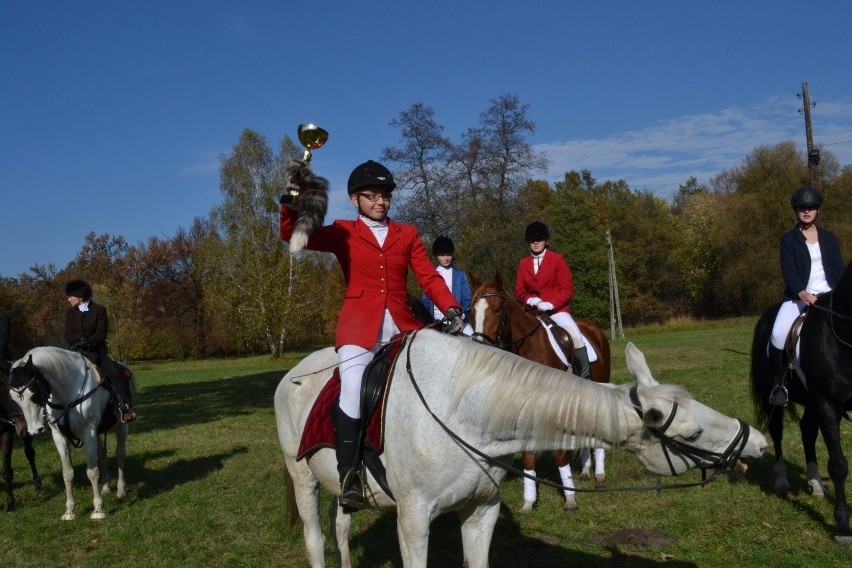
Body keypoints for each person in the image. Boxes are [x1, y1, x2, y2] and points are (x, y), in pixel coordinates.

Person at [279, 159, 463, 509]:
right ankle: (349, 474)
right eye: (372, 196)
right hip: (359, 329)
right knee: (351, 388)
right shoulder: (343, 231)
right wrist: (290, 203)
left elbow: (428, 277)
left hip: (404, 327)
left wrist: (451, 306)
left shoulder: (407, 234)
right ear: (355, 199)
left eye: (385, 196)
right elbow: (292, 235)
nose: (381, 202)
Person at [768, 186, 845, 405]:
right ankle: (779, 384)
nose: (807, 211)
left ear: (817, 210)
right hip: (800, 297)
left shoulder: (829, 238)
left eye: (811, 207)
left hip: (829, 296)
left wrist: (839, 295)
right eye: (802, 208)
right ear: (796, 211)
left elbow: (838, 270)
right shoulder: (788, 240)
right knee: (777, 334)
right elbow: (789, 272)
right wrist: (803, 294)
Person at [514, 221, 595, 380]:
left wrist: (551, 303)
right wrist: (531, 300)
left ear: (546, 241)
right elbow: (519, 291)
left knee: (575, 337)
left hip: (557, 311)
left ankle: (585, 377)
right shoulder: (523, 263)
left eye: (539, 239)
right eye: (532, 240)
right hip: (532, 312)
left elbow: (567, 289)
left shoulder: (557, 259)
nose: (535, 242)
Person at [64, 279, 136, 423]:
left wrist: (89, 342)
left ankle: (124, 407)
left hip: (97, 351)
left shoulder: (100, 310)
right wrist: (80, 340)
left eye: (71, 296)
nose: (68, 299)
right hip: (76, 351)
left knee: (115, 373)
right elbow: (68, 335)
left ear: (80, 296)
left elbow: (101, 333)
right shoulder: (69, 313)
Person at [421, 236, 474, 336]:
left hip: (458, 320)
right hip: (435, 322)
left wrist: (460, 316)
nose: (446, 258)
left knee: (473, 338)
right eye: (442, 255)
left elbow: (467, 299)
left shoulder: (460, 275)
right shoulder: (430, 276)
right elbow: (426, 301)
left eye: (448, 255)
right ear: (436, 256)